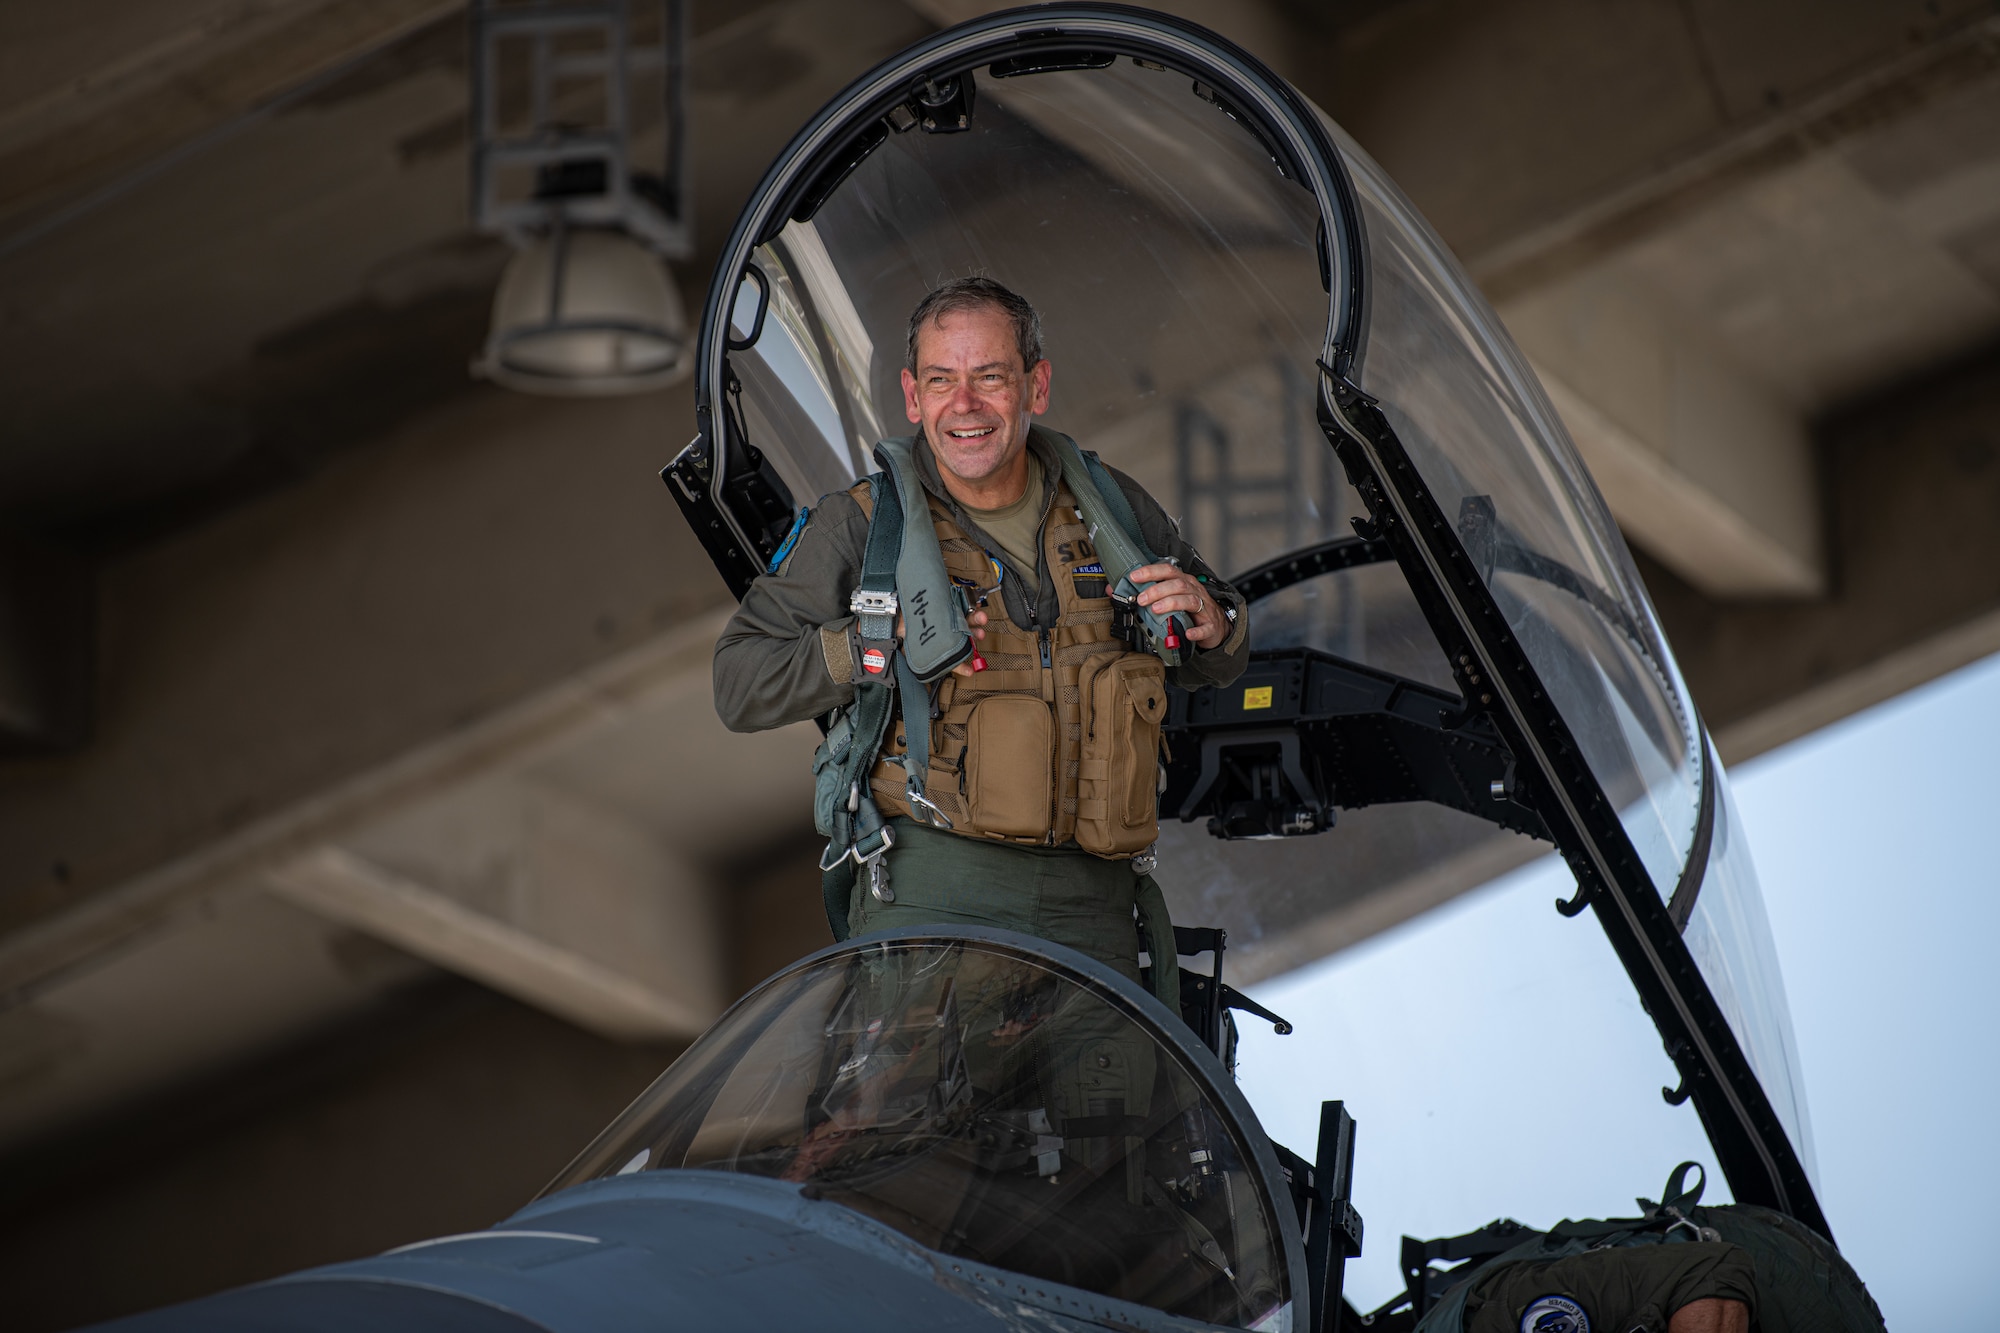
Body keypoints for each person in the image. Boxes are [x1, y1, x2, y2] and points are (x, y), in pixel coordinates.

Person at [714, 277, 1250, 999]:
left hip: (1097, 913)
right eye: (942, 380)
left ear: (1036, 386)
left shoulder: (1113, 509)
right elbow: (739, 680)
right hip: (935, 902)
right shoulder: (866, 526)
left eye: (989, 377)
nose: (963, 405)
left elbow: (1215, 657)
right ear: (912, 397)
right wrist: (873, 643)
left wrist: (1216, 624)